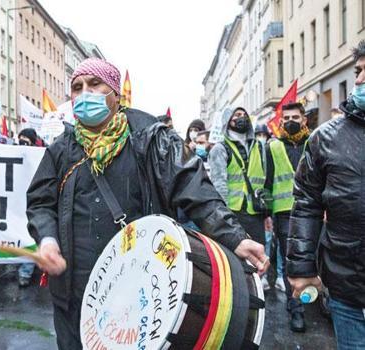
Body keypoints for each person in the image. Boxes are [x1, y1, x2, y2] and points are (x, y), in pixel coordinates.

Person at [26, 58, 268, 349]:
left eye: (94, 84)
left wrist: (234, 237)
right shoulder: (61, 150)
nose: (84, 93)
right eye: (77, 87)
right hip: (74, 293)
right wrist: (48, 239)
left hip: (139, 288)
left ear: (116, 93)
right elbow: (40, 202)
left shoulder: (151, 137)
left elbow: (192, 187)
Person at [288, 40, 365, 349]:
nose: (359, 79)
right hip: (347, 288)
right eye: (359, 71)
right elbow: (306, 203)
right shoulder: (326, 139)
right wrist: (303, 268)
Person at [265, 102, 310, 332]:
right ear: (281, 121)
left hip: (312, 212)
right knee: (290, 262)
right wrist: (268, 214)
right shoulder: (272, 146)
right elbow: (267, 182)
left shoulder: (315, 142)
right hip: (283, 213)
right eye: (286, 118)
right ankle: (296, 310)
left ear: (304, 119)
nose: (290, 121)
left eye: (295, 117)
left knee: (317, 260)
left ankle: (319, 301)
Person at [208, 107, 267, 246]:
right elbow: (219, 184)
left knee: (259, 256)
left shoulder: (259, 147)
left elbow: (265, 178)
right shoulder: (220, 149)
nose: (241, 117)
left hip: (256, 212)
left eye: (243, 114)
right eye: (237, 115)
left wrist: (267, 212)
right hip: (233, 213)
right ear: (228, 121)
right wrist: (224, 216)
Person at [16, 128, 41, 287]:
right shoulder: (13, 153)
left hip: (33, 202)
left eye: (25, 141)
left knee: (29, 236)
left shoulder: (38, 156)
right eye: (20, 140)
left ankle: (26, 271)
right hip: (15, 203)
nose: (21, 144)